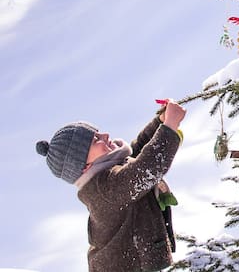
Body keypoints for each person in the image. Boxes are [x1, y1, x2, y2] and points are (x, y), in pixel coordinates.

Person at [35, 99, 186, 272]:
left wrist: (159, 122)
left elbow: (138, 153)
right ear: (84, 166)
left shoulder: (110, 172)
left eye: (98, 133)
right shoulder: (103, 187)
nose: (105, 135)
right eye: (95, 140)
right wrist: (169, 126)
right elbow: (144, 170)